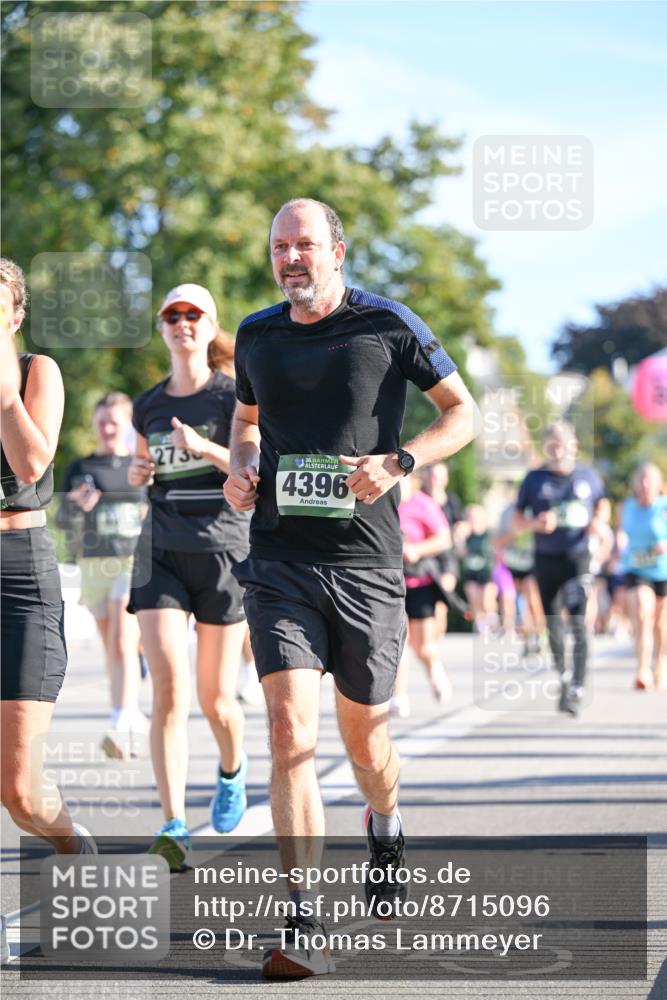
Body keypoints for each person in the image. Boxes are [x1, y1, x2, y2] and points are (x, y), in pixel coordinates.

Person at [224, 197, 477, 978]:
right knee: (289, 731)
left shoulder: (387, 324)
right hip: (279, 563)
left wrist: (399, 462)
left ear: (336, 250)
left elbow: (463, 413)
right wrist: (240, 468)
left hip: (367, 567)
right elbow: (245, 422)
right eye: (279, 247)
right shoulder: (256, 334)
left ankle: (386, 820)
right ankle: (303, 920)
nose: (290, 258)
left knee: (366, 741)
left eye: (304, 244)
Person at [127, 283, 250, 870]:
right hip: (161, 551)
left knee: (216, 699)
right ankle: (173, 825)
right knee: (169, 691)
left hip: (223, 550)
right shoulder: (146, 404)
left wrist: (202, 446)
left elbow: (253, 468)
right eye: (171, 315)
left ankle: (231, 769)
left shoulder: (233, 396)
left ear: (210, 323)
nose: (182, 322)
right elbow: (144, 471)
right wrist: (138, 469)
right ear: (162, 328)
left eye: (192, 313)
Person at [0, 260, 96, 881]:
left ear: (14, 315)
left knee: (20, 793)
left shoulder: (39, 372)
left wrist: (4, 392)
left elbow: (33, 465)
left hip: (19, 577)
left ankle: (71, 842)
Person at [59, 392, 148, 759]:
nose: (108, 428)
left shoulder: (140, 466)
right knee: (113, 645)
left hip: (131, 563)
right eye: (102, 422)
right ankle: (131, 712)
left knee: (123, 638)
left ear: (127, 425)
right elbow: (63, 520)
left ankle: (120, 721)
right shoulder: (81, 468)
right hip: (95, 564)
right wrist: (76, 505)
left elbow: (155, 510)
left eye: (115, 422)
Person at [514, 422, 606, 716]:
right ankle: (564, 676)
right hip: (546, 559)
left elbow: (602, 504)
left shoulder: (587, 476)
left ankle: (578, 684)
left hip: (577, 558)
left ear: (573, 445)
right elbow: (517, 520)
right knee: (552, 623)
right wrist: (534, 524)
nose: (555, 450)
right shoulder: (534, 479)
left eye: (560, 444)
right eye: (550, 444)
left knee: (577, 622)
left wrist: (598, 521)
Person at [391, 472, 454, 718]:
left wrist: (417, 550)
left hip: (421, 582)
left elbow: (444, 538)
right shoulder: (385, 502)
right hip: (392, 583)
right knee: (397, 643)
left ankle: (435, 671)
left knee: (423, 646)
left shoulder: (423, 504)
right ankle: (399, 697)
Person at [618, 462, 667, 690]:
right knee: (642, 612)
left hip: (662, 571)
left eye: (650, 480)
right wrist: (619, 541)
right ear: (635, 483)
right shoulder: (626, 507)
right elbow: (621, 532)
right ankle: (642, 669)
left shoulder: (664, 506)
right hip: (636, 569)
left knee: (660, 626)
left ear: (658, 484)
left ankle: (659, 663)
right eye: (642, 479)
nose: (645, 484)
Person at [495, 499, 544, 655]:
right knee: (519, 604)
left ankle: (540, 635)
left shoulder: (538, 508)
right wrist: (515, 533)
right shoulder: (507, 512)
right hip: (513, 563)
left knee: (533, 601)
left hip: (533, 563)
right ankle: (528, 637)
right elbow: (497, 541)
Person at [458, 505, 498, 633]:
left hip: (486, 573)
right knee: (475, 601)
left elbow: (496, 552)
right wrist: (460, 538)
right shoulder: (466, 536)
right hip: (471, 573)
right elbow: (461, 554)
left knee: (487, 601)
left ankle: (493, 621)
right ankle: (481, 628)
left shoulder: (488, 535)